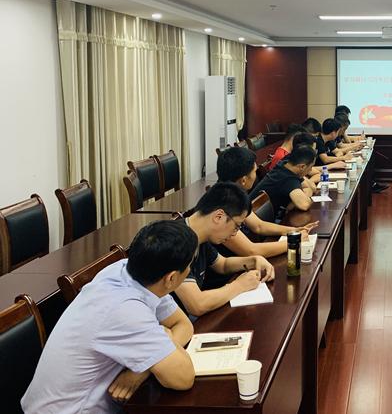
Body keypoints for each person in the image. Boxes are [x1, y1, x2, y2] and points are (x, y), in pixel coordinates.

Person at [22, 220, 198, 413]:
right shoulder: (126, 310)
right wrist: (163, 342)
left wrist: (142, 369)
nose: (190, 270)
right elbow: (183, 378)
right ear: (171, 278)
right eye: (189, 266)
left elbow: (183, 325)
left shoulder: (131, 271)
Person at [173, 183, 275, 318]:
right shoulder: (174, 243)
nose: (235, 233)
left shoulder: (199, 235)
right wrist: (239, 285)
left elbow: (223, 264)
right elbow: (197, 305)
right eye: (237, 226)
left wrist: (254, 260)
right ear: (218, 216)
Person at [216, 147, 315, 258]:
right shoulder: (222, 206)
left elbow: (259, 225)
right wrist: (294, 242)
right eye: (254, 172)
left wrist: (294, 231)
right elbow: (250, 251)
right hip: (232, 262)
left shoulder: (235, 194)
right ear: (243, 180)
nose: (255, 176)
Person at [249, 145, 316, 218]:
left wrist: (293, 203)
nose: (310, 170)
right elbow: (304, 205)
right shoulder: (287, 179)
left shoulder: (285, 164)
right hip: (265, 220)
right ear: (302, 166)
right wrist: (301, 199)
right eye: (310, 167)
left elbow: (308, 188)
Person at [335, 106, 388, 193]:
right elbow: (341, 146)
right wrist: (353, 146)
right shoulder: (333, 131)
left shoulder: (338, 130)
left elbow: (347, 141)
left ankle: (371, 185)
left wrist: (355, 140)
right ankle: (370, 186)